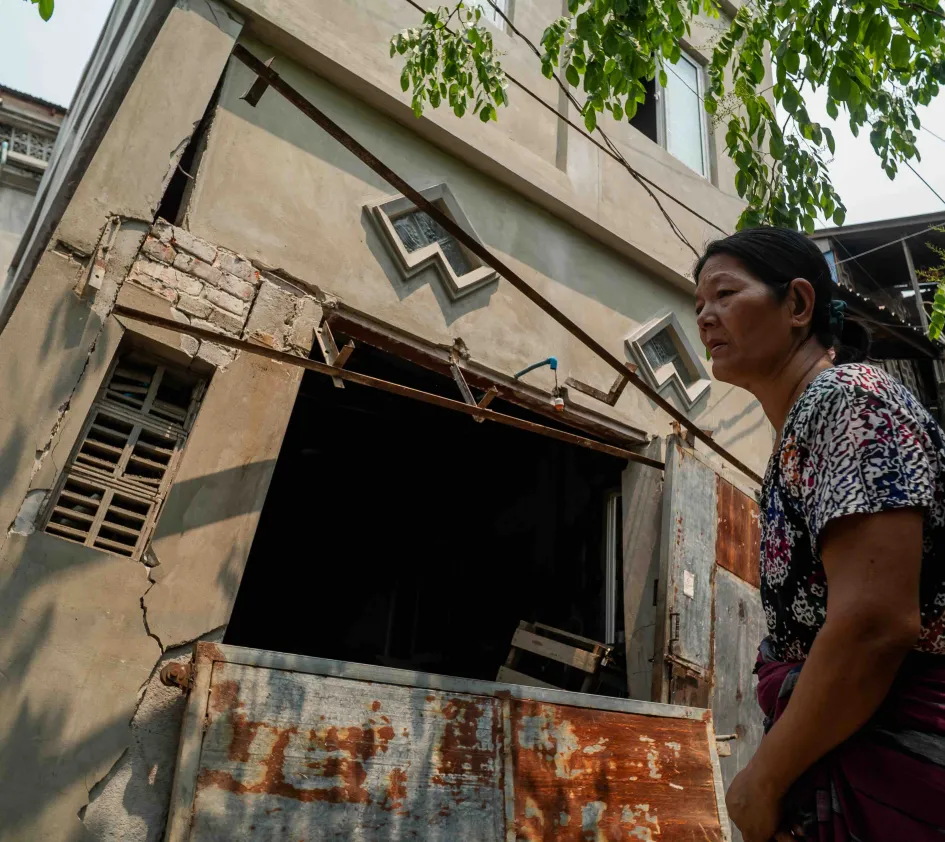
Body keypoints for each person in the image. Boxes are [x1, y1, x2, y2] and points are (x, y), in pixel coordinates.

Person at [694, 227, 945, 842]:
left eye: (724, 293)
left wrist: (762, 781)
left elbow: (875, 623)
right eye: (697, 302)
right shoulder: (800, 435)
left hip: (907, 768)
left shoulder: (848, 400)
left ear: (798, 305)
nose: (704, 316)